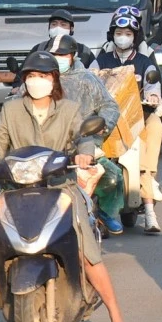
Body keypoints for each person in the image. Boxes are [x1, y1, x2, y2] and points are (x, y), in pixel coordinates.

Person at [0, 51, 129, 322]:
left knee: (86, 252)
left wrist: (84, 152)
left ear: (54, 80)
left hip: (60, 188)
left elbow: (83, 135)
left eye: (43, 76)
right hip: (17, 190)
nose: (36, 81)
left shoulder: (69, 109)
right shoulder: (12, 109)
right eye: (31, 76)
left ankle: (116, 316)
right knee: (1, 252)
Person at [90, 11, 162, 234]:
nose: (123, 37)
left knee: (156, 127)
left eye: (128, 33)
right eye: (119, 32)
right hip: (108, 120)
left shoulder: (145, 63)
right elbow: (89, 82)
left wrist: (152, 97)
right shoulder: (99, 61)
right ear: (112, 35)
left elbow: (154, 88)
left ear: (135, 36)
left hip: (137, 119)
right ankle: (97, 212)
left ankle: (150, 212)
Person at [46, 34, 127, 234]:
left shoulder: (87, 79)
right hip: (44, 143)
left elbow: (109, 106)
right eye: (54, 54)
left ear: (73, 56)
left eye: (62, 54)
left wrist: (102, 126)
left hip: (83, 142)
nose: (58, 58)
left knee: (112, 177)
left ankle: (104, 212)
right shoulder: (40, 77)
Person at [30, 8, 96, 68]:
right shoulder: (38, 49)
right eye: (54, 24)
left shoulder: (84, 51)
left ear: (71, 29)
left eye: (63, 24)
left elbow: (94, 76)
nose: (58, 28)